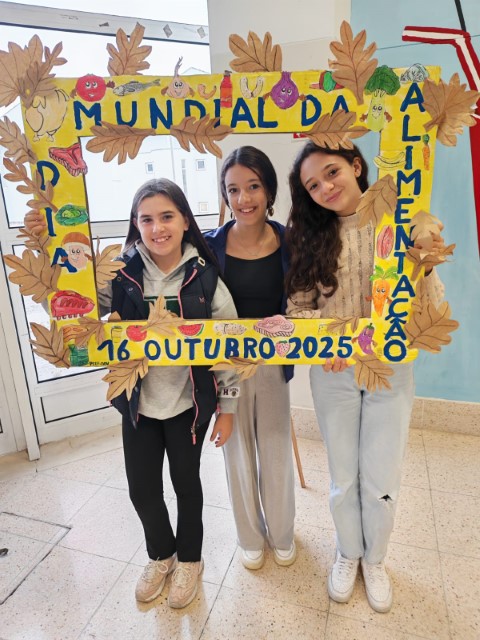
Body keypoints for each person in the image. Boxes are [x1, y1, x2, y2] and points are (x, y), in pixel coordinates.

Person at [24, 179, 239, 609]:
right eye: (147, 219)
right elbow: (75, 307)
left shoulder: (205, 277)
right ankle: (161, 555)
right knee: (142, 489)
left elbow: (229, 344)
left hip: (188, 404)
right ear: (135, 224)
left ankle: (190, 560)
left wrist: (228, 407)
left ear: (185, 221)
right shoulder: (120, 275)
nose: (158, 228)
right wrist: (51, 277)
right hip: (138, 405)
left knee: (186, 485)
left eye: (167, 216)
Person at [285, 141, 445, 613]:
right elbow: (296, 310)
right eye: (312, 185)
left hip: (390, 371)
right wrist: (326, 341)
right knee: (342, 475)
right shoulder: (310, 238)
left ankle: (375, 559)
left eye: (331, 172)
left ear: (356, 166)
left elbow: (431, 306)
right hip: (333, 372)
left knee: (381, 474)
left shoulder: (399, 223)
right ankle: (348, 551)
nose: (324, 187)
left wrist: (425, 259)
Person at [204, 146, 296, 570]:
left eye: (253, 186)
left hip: (273, 366)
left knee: (275, 450)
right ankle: (250, 537)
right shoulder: (210, 247)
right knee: (237, 454)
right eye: (233, 189)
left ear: (269, 190)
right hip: (227, 368)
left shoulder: (290, 242)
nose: (243, 198)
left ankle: (282, 532)